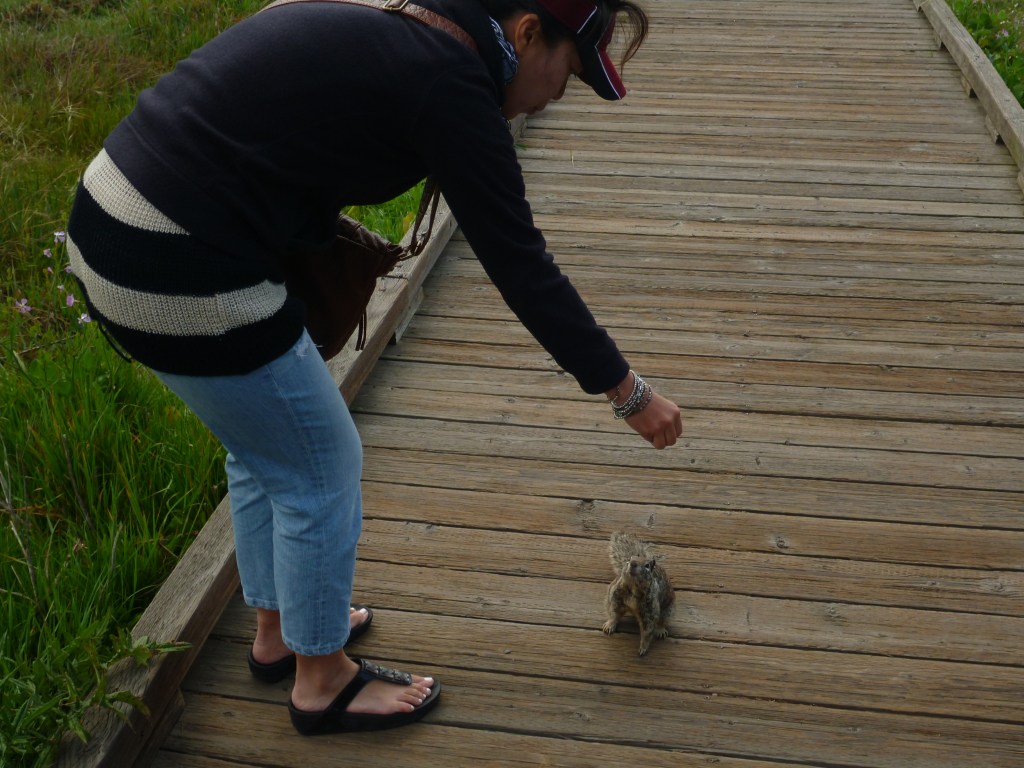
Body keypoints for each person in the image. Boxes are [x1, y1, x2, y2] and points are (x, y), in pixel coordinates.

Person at [65, 0, 683, 736]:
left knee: (266, 449)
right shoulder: (452, 86)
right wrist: (627, 391)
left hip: (108, 218)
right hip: (176, 256)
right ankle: (321, 681)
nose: (556, 97)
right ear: (524, 32)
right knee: (321, 467)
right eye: (567, 72)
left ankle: (279, 633)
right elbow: (521, 263)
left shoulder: (405, 22)